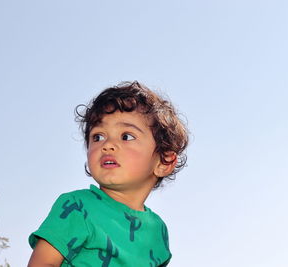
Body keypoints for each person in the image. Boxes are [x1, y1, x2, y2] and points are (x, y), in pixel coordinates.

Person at [28, 81, 188, 267]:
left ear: (163, 161)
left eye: (126, 136)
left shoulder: (158, 231)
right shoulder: (77, 207)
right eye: (98, 137)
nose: (107, 145)